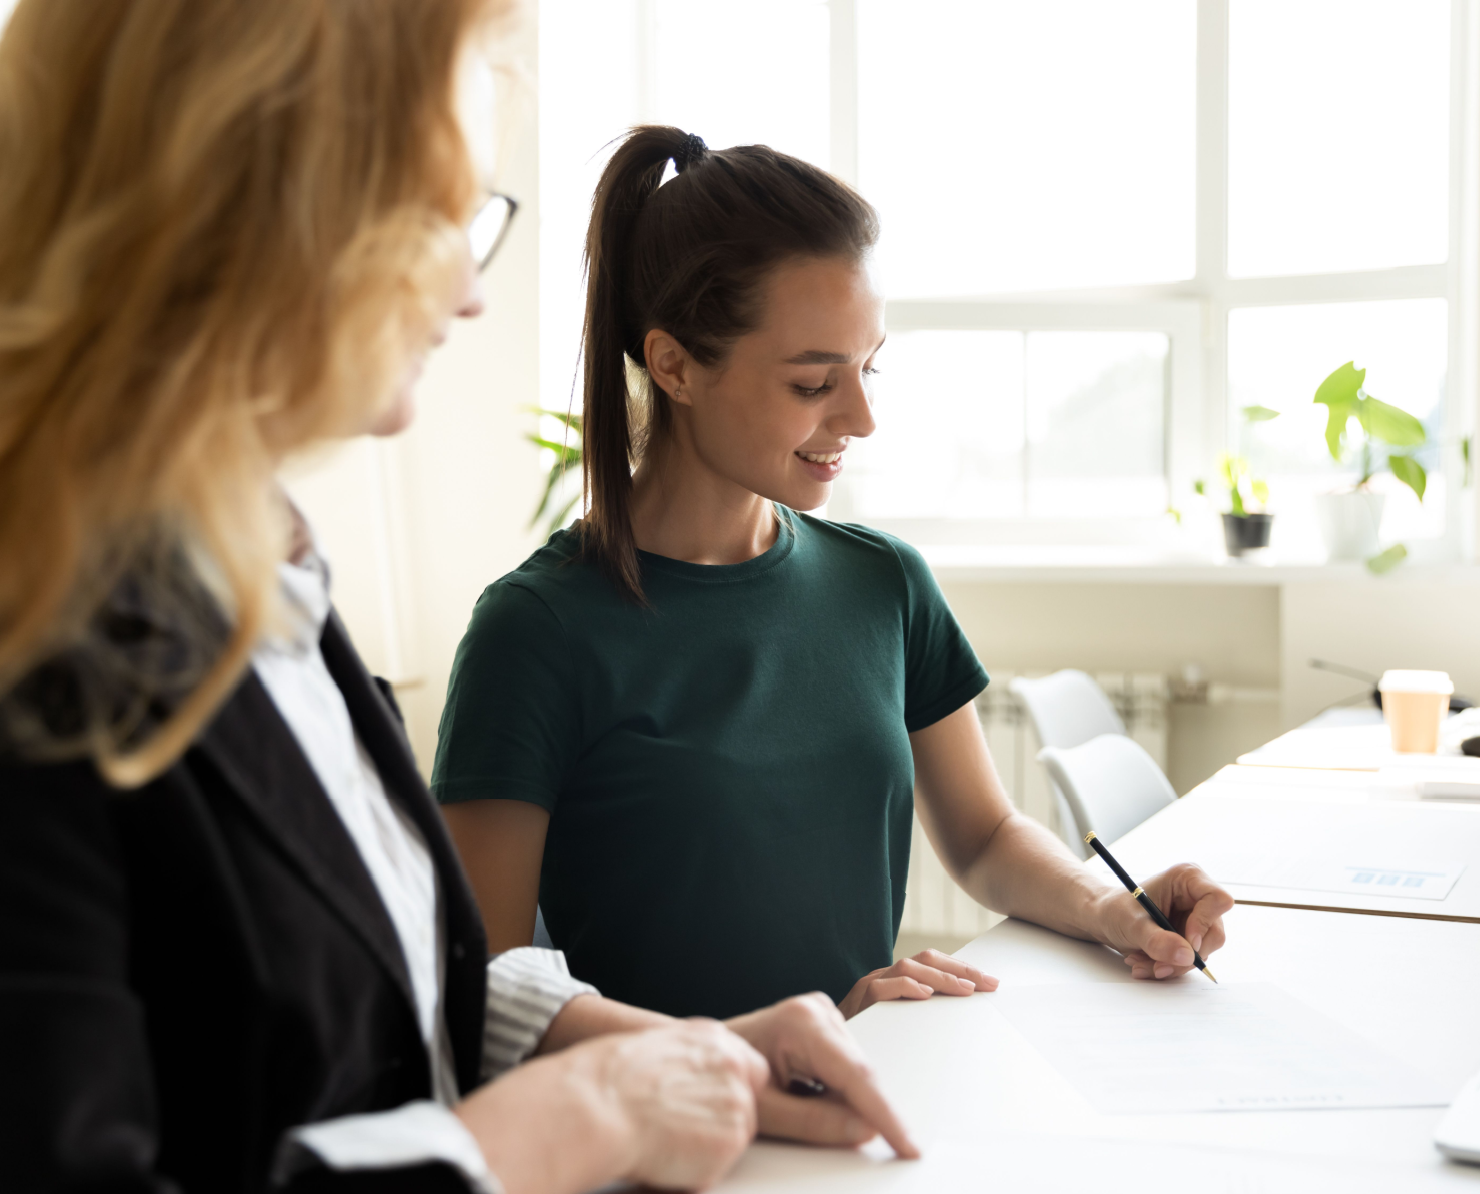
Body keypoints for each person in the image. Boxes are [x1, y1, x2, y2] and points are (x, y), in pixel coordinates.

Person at [0, 6, 914, 1193]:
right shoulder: (37, 648)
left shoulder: (256, 566)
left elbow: (399, 974)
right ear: (243, 204)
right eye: (437, 220)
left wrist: (682, 1053)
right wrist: (570, 1118)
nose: (470, 297)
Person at [433, 126, 1236, 1023]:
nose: (861, 416)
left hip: (860, 1103)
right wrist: (773, 1048)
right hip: (676, 1141)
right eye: (814, 384)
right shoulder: (536, 631)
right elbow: (486, 997)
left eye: (868, 368)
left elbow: (983, 837)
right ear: (675, 366)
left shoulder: (883, 583)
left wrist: (1107, 906)